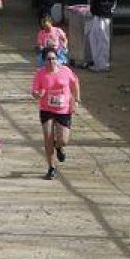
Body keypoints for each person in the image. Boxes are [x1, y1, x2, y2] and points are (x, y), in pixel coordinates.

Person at [31, 47, 81, 180]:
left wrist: (76, 100)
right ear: (44, 61)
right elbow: (34, 92)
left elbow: (75, 83)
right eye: (48, 59)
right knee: (48, 139)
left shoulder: (65, 71)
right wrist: (38, 94)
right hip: (46, 109)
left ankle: (59, 147)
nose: (52, 61)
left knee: (63, 140)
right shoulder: (40, 74)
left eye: (54, 58)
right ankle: (51, 167)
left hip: (63, 109)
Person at [87, 0, 115, 72]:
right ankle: (99, 62)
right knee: (95, 36)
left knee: (101, 37)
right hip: (101, 12)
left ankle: (102, 64)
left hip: (102, 12)